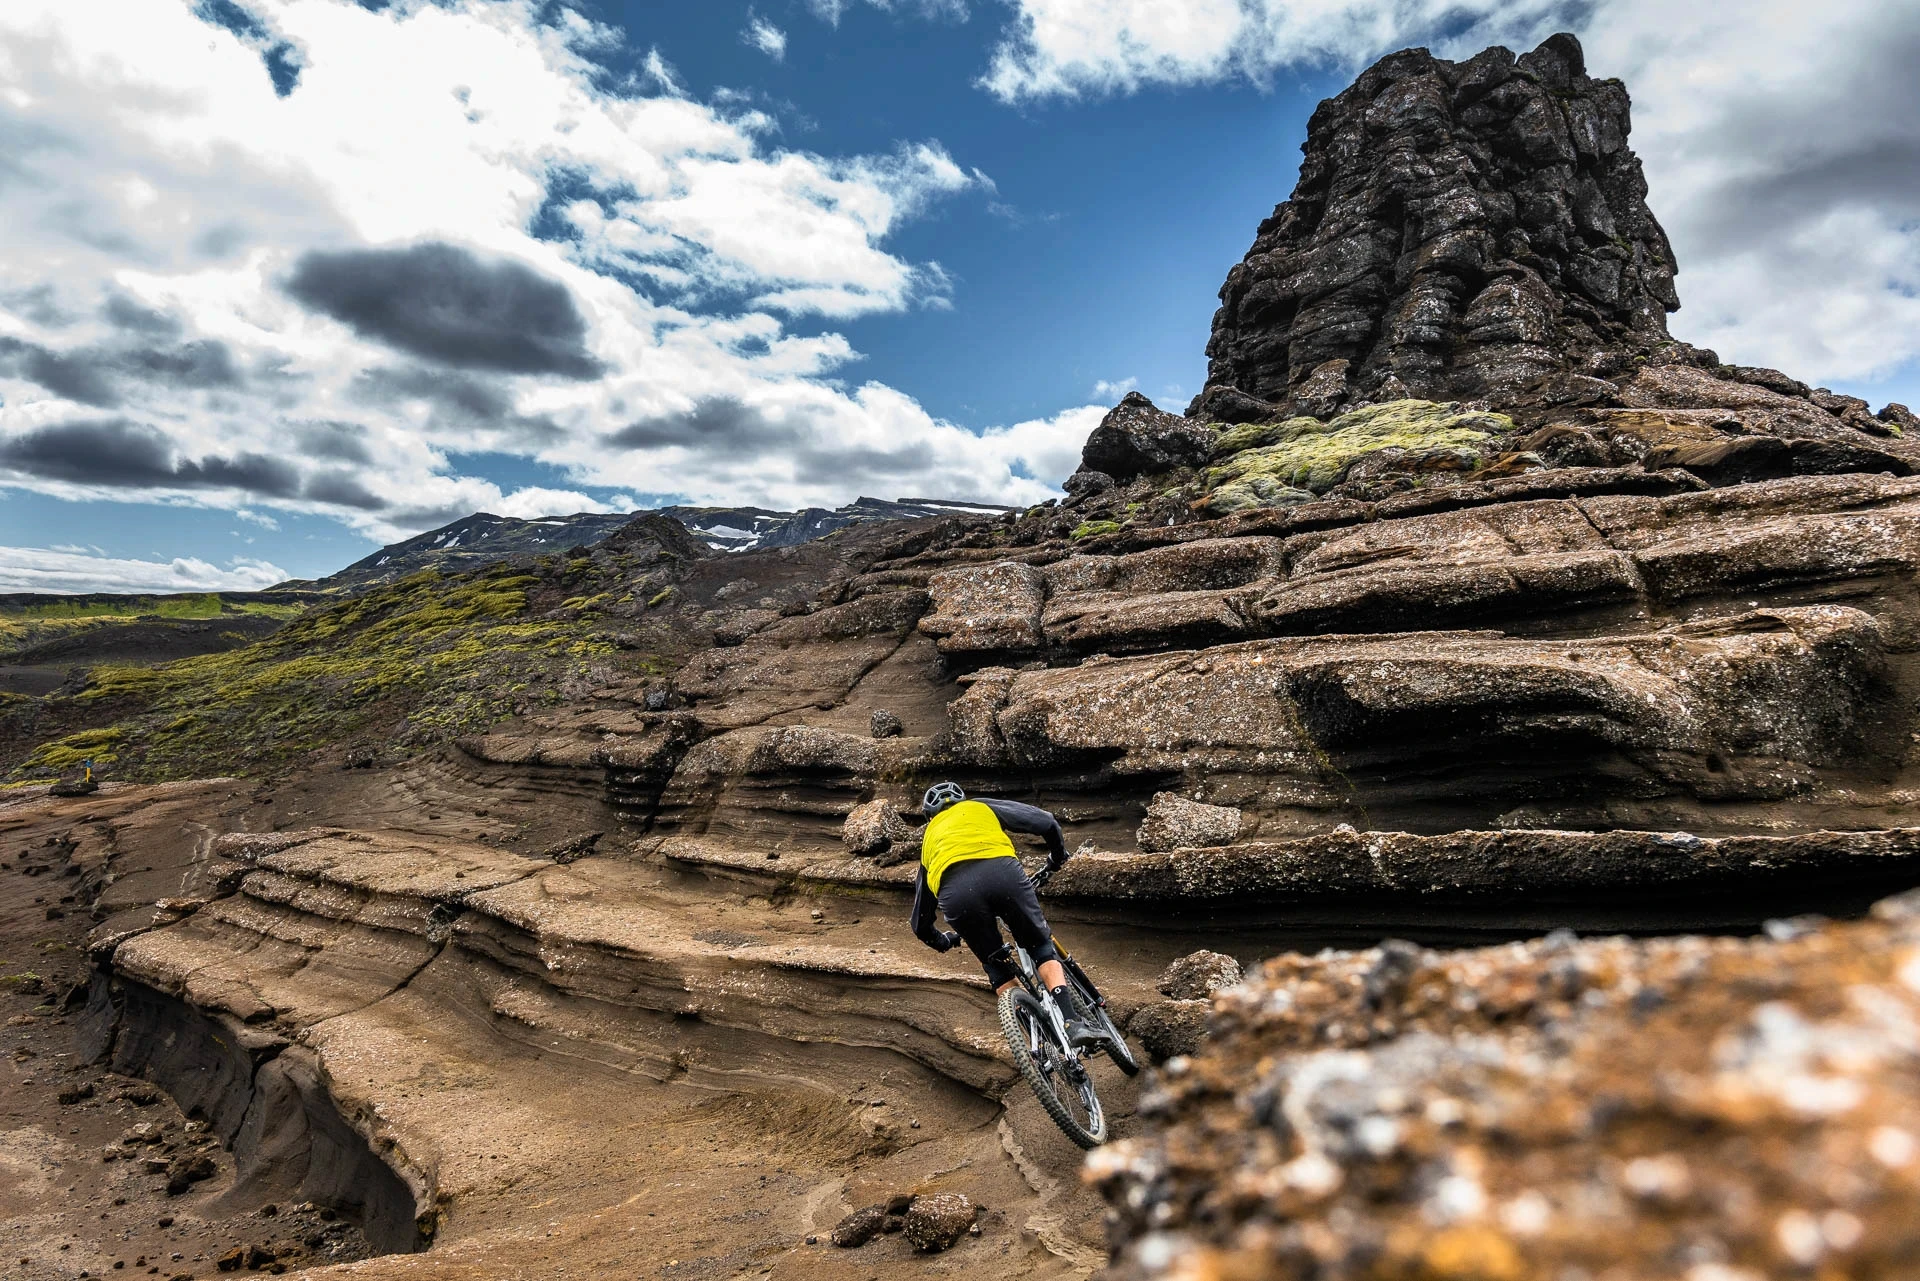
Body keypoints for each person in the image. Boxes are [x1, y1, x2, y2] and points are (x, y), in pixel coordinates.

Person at [908, 781, 1103, 1046]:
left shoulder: (929, 842)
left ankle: (1041, 1044)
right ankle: (1072, 1023)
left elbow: (920, 922)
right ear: (962, 801)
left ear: (930, 817)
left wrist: (945, 941)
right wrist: (1057, 856)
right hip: (1001, 874)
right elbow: (1045, 821)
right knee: (1041, 948)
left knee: (998, 970)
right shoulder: (980, 807)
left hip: (956, 894)